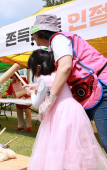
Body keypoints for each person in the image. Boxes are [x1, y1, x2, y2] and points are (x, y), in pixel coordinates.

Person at [29, 14, 107, 153]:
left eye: (33, 34)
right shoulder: (55, 45)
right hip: (87, 90)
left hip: (100, 84)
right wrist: (38, 86)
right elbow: (60, 75)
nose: (33, 38)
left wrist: (49, 99)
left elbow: (65, 68)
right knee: (77, 139)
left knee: (105, 140)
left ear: (40, 31)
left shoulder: (58, 39)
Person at [24, 49, 107, 170]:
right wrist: (35, 87)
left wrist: (31, 92)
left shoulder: (43, 79)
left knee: (58, 146)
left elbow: (36, 103)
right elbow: (51, 86)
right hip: (74, 110)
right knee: (73, 146)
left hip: (59, 113)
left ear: (37, 67)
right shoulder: (58, 74)